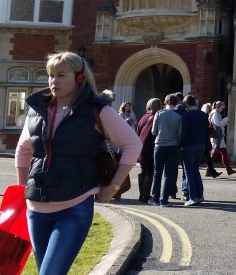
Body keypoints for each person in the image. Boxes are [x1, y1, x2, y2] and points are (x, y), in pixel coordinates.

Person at [15, 51, 141, 275]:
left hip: (73, 207)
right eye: (51, 75)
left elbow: (133, 144)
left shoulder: (97, 111)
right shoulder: (37, 111)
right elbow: (23, 150)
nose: (54, 81)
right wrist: (22, 188)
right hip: (35, 209)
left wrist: (112, 187)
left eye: (61, 75)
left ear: (79, 77)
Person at [150, 94, 182, 206]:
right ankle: (164, 200)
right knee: (168, 174)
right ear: (176, 103)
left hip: (159, 145)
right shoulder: (178, 117)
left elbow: (153, 132)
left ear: (165, 102)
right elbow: (179, 134)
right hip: (173, 146)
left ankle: (155, 199)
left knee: (157, 173)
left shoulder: (159, 114)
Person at [179, 95, 207, 206]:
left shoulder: (186, 115)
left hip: (189, 145)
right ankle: (200, 195)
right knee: (195, 170)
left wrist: (181, 144)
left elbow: (184, 132)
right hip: (201, 144)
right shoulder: (203, 115)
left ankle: (193, 197)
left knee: (189, 171)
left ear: (186, 105)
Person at [135, 97, 161, 203]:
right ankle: (146, 196)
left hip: (140, 146)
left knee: (143, 170)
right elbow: (154, 133)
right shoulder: (155, 117)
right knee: (149, 172)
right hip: (149, 147)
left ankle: (141, 195)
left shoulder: (144, 117)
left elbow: (138, 131)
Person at [208, 101, 236, 176]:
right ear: (217, 106)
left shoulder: (216, 114)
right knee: (215, 154)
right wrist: (225, 120)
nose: (222, 109)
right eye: (222, 108)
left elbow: (219, 125)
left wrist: (224, 121)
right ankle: (208, 169)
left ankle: (228, 169)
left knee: (222, 153)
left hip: (219, 136)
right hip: (217, 137)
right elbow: (218, 124)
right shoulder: (215, 114)